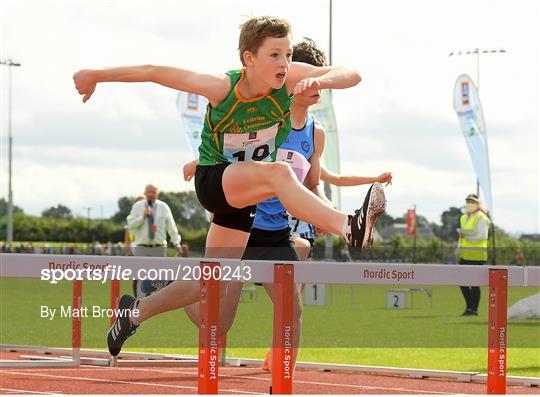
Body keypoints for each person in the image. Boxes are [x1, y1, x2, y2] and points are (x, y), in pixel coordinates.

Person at [74, 16, 384, 356]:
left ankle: (134, 313)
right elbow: (154, 71)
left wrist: (315, 79)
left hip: (246, 196)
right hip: (216, 181)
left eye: (289, 55)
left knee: (210, 282)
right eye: (275, 55)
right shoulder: (222, 87)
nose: (284, 64)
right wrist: (95, 75)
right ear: (248, 59)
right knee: (280, 174)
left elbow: (351, 74)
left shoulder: (291, 78)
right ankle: (347, 225)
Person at [127, 184, 182, 297]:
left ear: (158, 194)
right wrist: (142, 217)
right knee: (141, 278)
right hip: (141, 248)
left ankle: (154, 305)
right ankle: (140, 305)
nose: (151, 194)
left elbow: (171, 226)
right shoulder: (138, 206)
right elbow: (131, 225)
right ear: (145, 193)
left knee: (158, 280)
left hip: (159, 248)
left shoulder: (164, 207)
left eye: (154, 192)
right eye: (149, 192)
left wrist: (176, 242)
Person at [456, 193, 491, 316]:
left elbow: (482, 236)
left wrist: (467, 236)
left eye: (472, 201)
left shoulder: (482, 218)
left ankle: (473, 309)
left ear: (477, 204)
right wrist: (458, 251)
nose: (469, 204)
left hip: (477, 255)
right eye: (468, 201)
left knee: (474, 283)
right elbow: (462, 237)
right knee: (462, 281)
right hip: (465, 254)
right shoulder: (464, 218)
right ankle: (470, 307)